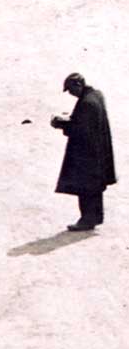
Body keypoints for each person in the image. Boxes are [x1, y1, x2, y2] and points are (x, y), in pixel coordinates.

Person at [51, 73, 116, 231]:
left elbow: (80, 130)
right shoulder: (96, 96)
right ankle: (95, 217)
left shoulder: (87, 103)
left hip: (87, 155)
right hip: (98, 152)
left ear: (78, 85)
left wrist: (61, 124)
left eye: (71, 89)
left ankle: (87, 220)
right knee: (95, 188)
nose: (71, 93)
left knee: (85, 188)